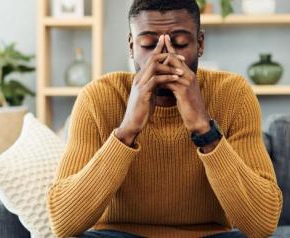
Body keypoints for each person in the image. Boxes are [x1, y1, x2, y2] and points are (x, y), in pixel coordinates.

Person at [46, 0, 283, 237]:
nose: (164, 58)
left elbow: (262, 226)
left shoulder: (233, 94)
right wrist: (126, 131)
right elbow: (63, 225)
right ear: (131, 46)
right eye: (148, 44)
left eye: (180, 43)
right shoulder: (97, 97)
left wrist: (204, 129)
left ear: (200, 44)